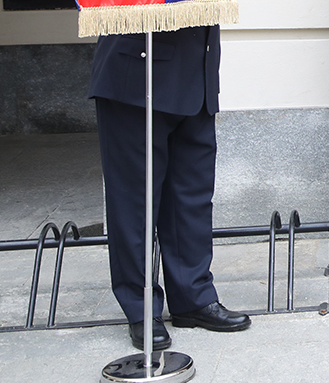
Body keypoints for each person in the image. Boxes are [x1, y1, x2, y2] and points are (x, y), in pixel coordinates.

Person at [90, 25, 251, 351]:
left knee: (191, 197)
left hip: (196, 75)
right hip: (137, 77)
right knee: (134, 203)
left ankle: (193, 297)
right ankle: (141, 308)